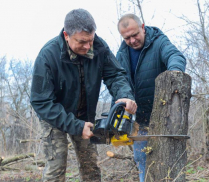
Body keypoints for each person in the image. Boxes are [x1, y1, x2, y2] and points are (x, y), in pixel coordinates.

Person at [30, 9, 137, 182]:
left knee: (91, 168)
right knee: (56, 168)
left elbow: (115, 75)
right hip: (54, 117)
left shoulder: (99, 47)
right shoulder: (48, 56)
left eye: (90, 40)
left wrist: (124, 95)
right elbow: (41, 101)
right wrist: (75, 125)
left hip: (84, 115)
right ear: (66, 35)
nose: (88, 46)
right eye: (82, 41)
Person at [115, 14, 186, 182]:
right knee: (143, 165)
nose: (132, 40)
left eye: (135, 35)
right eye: (127, 38)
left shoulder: (159, 42)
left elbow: (175, 56)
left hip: (165, 120)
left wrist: (174, 72)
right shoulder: (121, 54)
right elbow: (118, 82)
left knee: (167, 166)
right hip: (139, 121)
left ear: (143, 28)